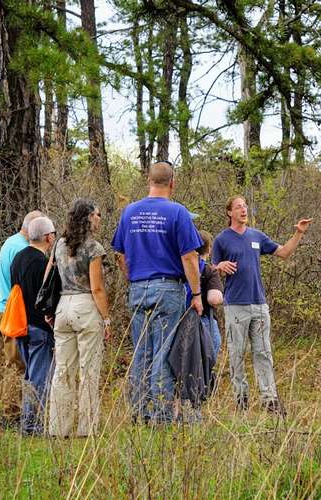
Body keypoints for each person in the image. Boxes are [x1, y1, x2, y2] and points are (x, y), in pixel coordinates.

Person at [111, 161, 203, 424]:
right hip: (167, 288)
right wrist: (196, 294)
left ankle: (140, 412)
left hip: (139, 289)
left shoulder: (129, 212)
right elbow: (189, 257)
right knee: (163, 351)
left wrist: (132, 277)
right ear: (172, 183)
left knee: (141, 351)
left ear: (148, 181)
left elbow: (120, 253)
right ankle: (162, 414)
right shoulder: (177, 212)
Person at [212, 195, 312, 415]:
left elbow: (284, 253)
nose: (243, 210)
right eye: (239, 207)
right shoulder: (222, 239)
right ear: (229, 212)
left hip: (259, 305)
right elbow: (210, 270)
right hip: (235, 306)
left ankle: (270, 400)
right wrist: (219, 266)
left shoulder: (257, 236)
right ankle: (241, 400)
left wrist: (299, 233)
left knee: (263, 353)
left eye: (245, 207)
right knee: (237, 354)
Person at [48, 200, 111, 438]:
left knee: (63, 370)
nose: (99, 219)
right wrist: (106, 319)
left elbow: (49, 278)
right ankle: (87, 427)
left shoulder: (59, 245)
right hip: (85, 306)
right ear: (87, 218)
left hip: (63, 307)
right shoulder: (93, 248)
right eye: (97, 214)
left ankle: (57, 427)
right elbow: (97, 288)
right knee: (89, 370)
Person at [10, 216, 58, 435]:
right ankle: (32, 424)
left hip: (20, 325)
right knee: (39, 378)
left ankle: (28, 421)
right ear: (48, 237)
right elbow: (47, 298)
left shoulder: (17, 259)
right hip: (39, 327)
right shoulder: (42, 263)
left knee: (29, 376)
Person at [0, 210, 42, 427]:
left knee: (16, 362)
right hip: (13, 310)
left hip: (7, 308)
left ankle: (19, 411)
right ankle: (11, 414)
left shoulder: (9, 242)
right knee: (17, 363)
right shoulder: (22, 248)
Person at [185, 230, 223, 359]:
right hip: (204, 319)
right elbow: (214, 299)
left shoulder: (180, 266)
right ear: (209, 249)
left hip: (179, 318)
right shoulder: (209, 270)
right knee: (208, 358)